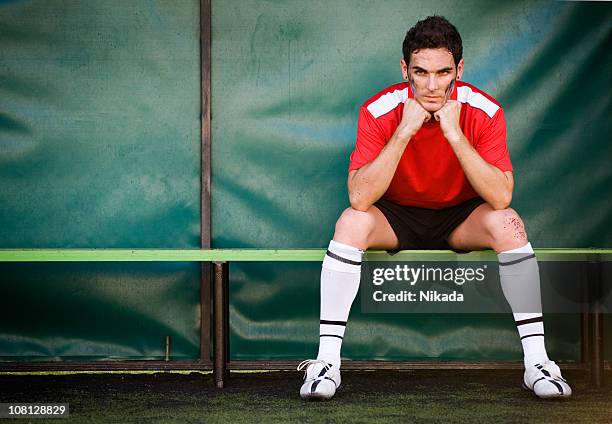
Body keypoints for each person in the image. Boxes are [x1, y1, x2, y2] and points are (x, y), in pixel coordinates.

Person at [298, 15, 571, 400]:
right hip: (396, 215)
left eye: (443, 73)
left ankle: (538, 363)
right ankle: (326, 364)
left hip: (461, 215)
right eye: (420, 72)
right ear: (404, 69)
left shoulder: (484, 110)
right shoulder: (379, 110)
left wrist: (454, 133)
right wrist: (406, 130)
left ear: (459, 69)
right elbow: (360, 197)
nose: (431, 85)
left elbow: (501, 196)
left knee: (509, 224)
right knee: (350, 223)